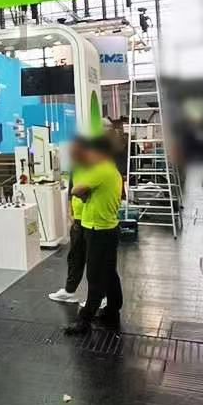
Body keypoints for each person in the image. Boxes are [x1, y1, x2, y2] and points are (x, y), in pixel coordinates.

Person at [64, 136, 124, 335]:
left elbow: (76, 189)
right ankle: (112, 310)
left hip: (98, 230)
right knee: (109, 272)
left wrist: (82, 193)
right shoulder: (111, 169)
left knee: (95, 276)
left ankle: (84, 320)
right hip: (108, 228)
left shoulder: (101, 170)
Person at [48, 137, 87, 304]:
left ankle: (101, 296)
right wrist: (70, 211)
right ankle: (69, 291)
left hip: (92, 220)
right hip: (78, 219)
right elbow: (72, 190)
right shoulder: (76, 167)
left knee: (95, 261)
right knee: (75, 257)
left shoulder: (93, 168)